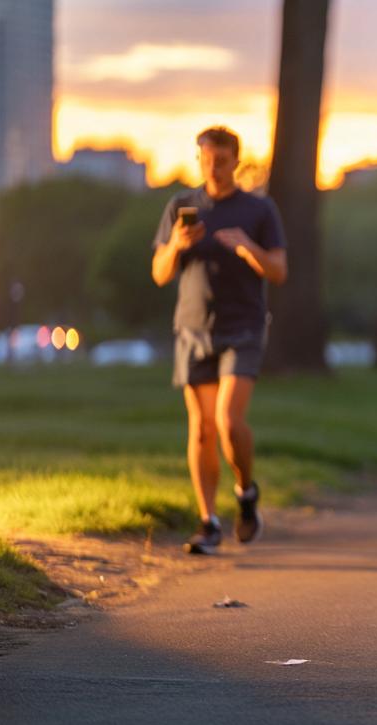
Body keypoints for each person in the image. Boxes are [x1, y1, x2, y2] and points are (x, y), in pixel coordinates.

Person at [150, 126, 288, 555]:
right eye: (206, 159)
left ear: (236, 161)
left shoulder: (258, 210)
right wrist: (176, 244)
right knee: (202, 429)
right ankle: (208, 521)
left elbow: (279, 271)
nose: (213, 167)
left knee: (229, 421)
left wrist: (248, 247)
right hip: (193, 328)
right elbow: (159, 273)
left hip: (243, 328)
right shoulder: (182, 206)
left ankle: (246, 493)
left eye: (222, 159)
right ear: (200, 159)